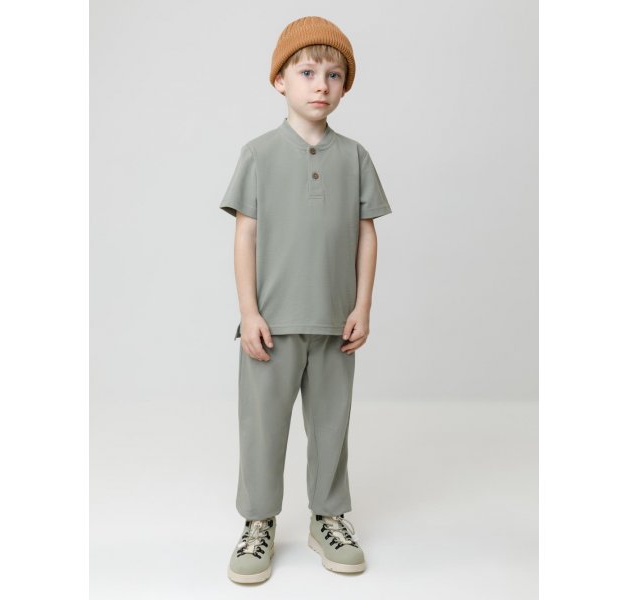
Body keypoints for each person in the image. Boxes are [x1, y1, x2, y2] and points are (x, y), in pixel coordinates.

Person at [219, 16, 393, 584]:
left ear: (345, 87)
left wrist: (362, 306)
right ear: (280, 80)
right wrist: (249, 312)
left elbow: (367, 233)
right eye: (308, 72)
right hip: (271, 324)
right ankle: (258, 522)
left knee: (331, 427)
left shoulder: (355, 157)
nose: (321, 84)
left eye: (334, 75)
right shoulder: (259, 154)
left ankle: (328, 517)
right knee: (263, 428)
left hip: (335, 323)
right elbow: (245, 234)